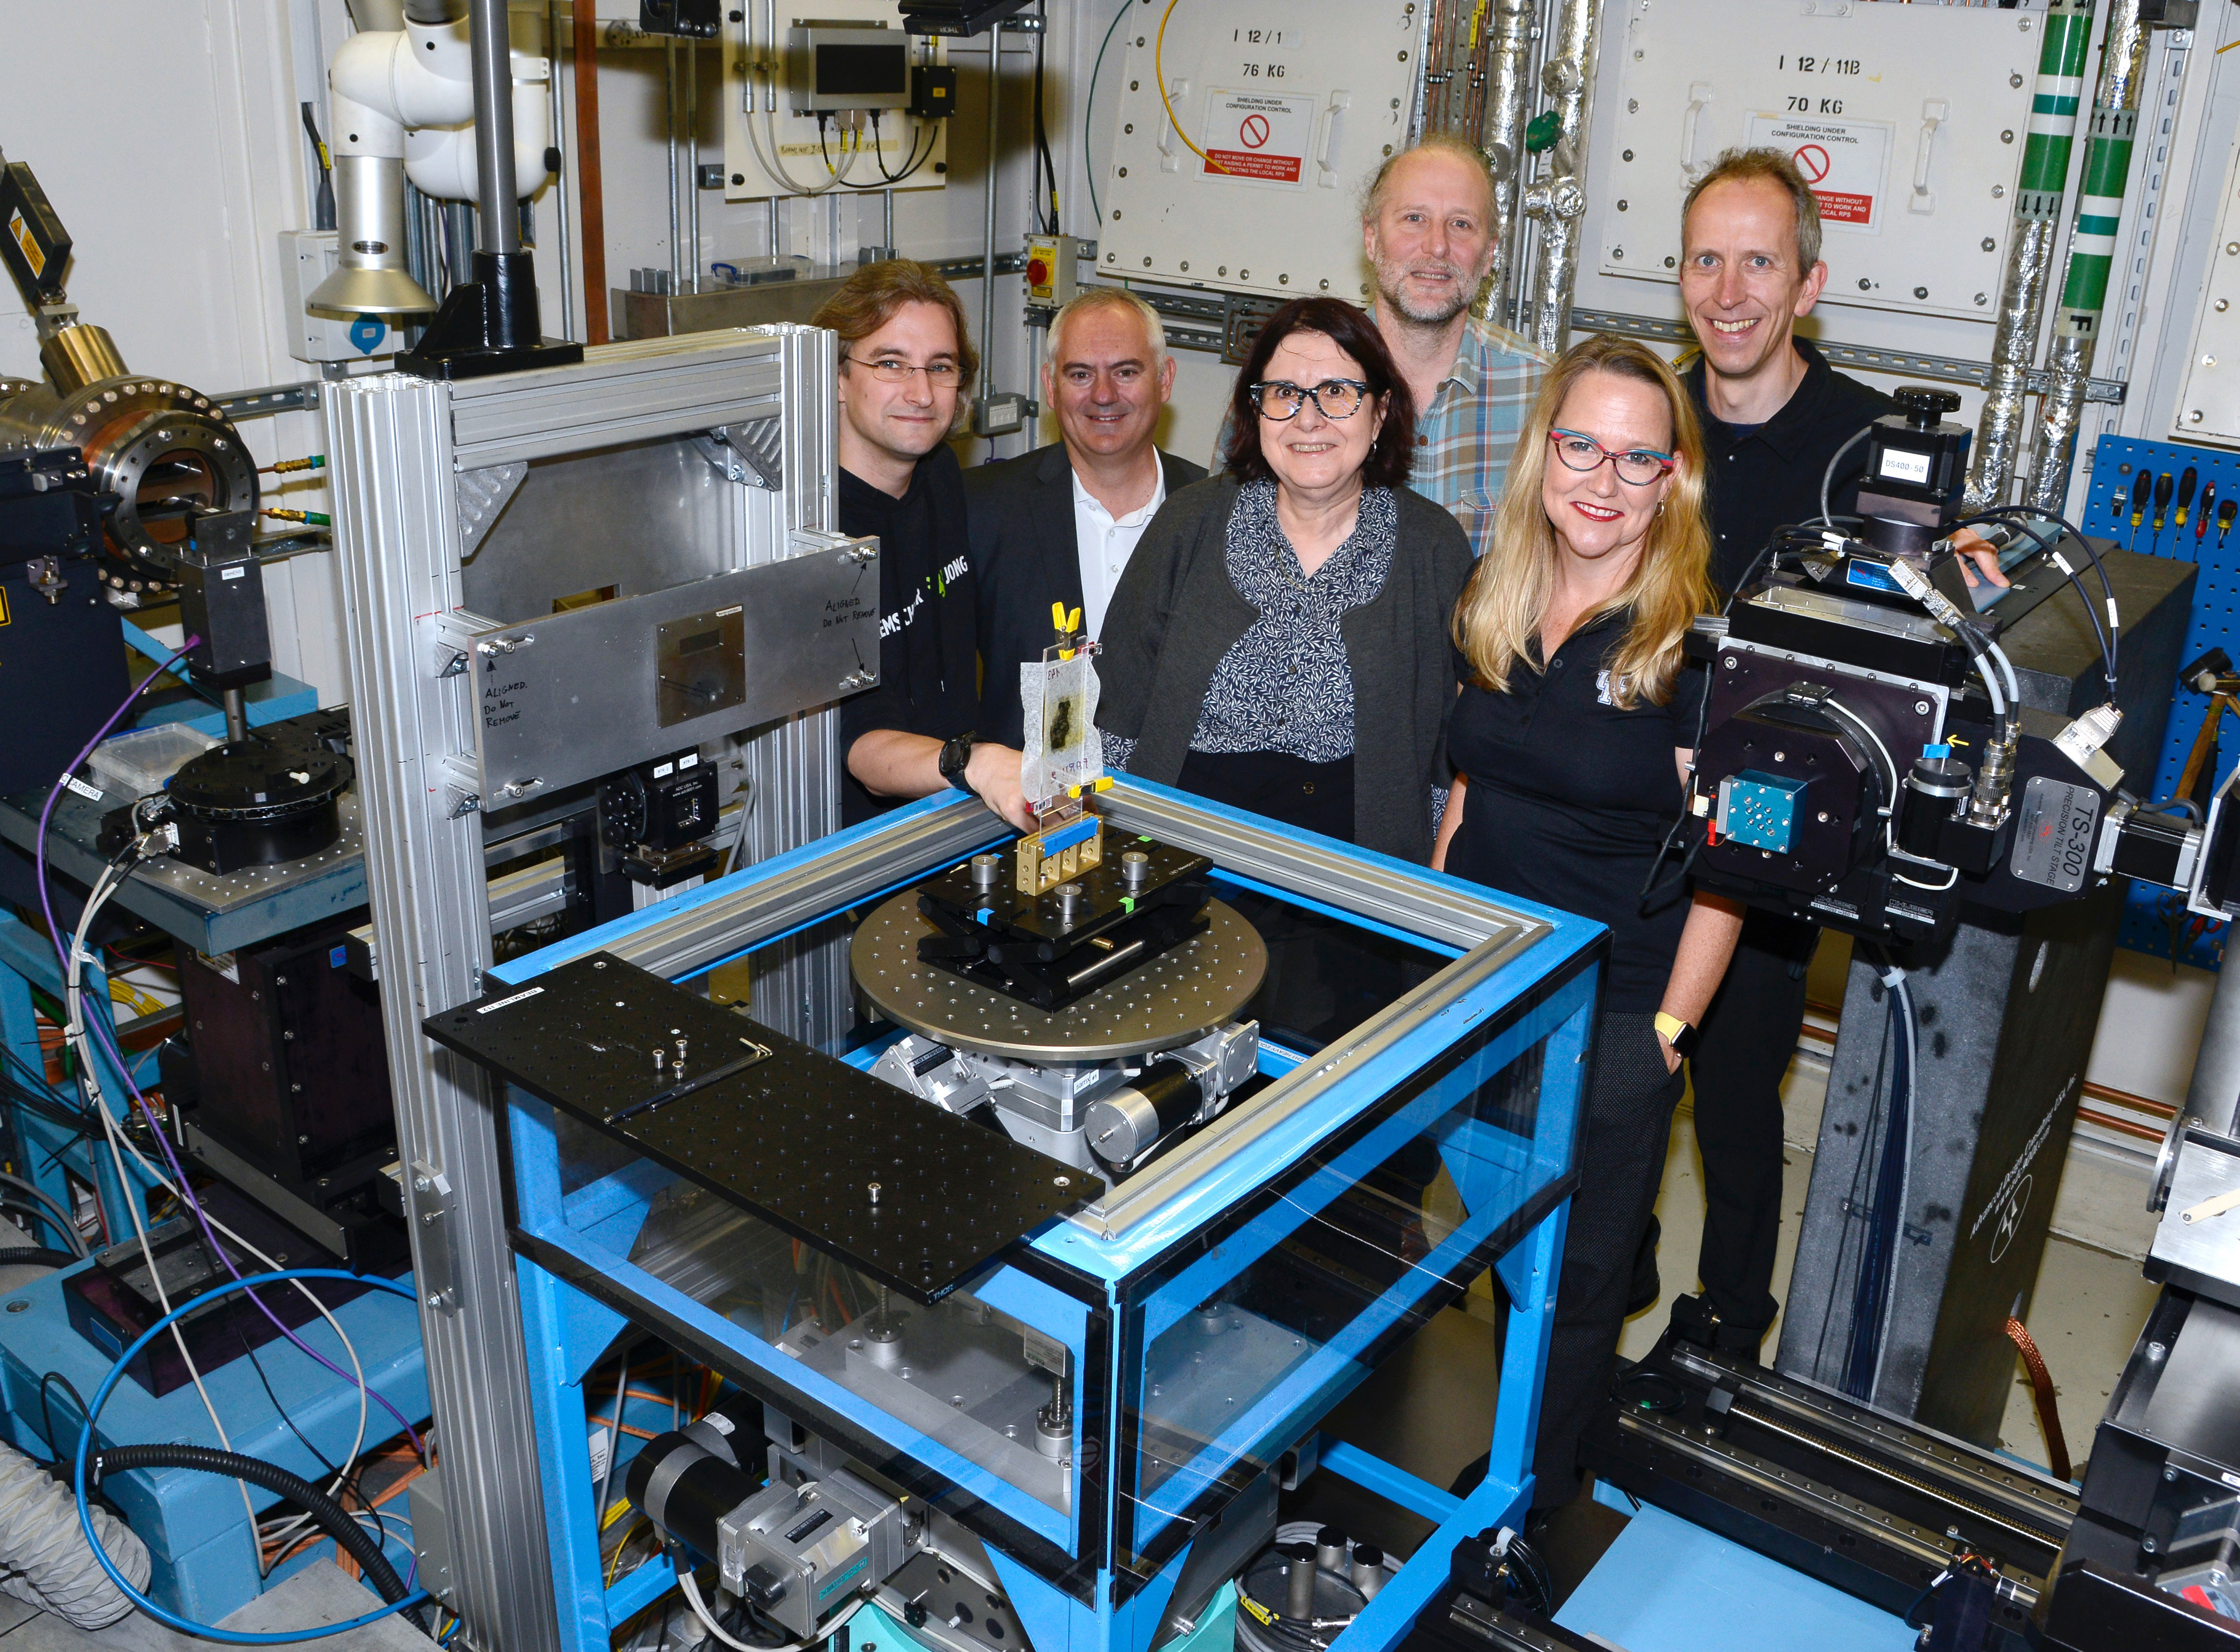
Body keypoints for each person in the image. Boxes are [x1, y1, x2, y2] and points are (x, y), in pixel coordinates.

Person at [1667, 148, 2000, 1351]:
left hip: (1766, 831)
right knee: (1609, 1067)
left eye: (1760, 260)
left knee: (1736, 1093)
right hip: (1632, 798)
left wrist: (1959, 576)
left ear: (1807, 281)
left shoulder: (1872, 453)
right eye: (1707, 258)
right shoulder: (1649, 423)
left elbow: (1934, 628)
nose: (1731, 288)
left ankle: (1725, 1318)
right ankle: (1596, 1276)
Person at [1433, 333, 1742, 1512]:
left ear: (1672, 479)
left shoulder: (1690, 650)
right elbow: (1469, 788)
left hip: (1616, 1002)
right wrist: (1435, 944)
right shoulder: (1494, 595)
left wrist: (1666, 1029)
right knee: (1514, 1244)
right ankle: (1528, 1438)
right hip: (1487, 984)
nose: (1600, 481)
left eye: (1634, 457)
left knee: (1578, 1265)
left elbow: (1725, 872)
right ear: (1541, 452)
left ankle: (1535, 1493)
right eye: (1580, 446)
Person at [1100, 295, 1471, 865]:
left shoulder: (1432, 547)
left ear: (1379, 412)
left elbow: (1451, 743)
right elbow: (1117, 704)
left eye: (1337, 393)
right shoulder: (1189, 522)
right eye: (1283, 394)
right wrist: (1108, 845)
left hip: (1354, 882)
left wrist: (1430, 885)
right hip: (1177, 858)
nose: (1308, 418)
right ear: (1255, 412)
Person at [1208, 135, 1545, 555]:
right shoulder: (1284, 381)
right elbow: (1219, 545)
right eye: (1413, 218)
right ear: (1371, 237)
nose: (1437, 246)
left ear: (1490, 252)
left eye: (1461, 224)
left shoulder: (1545, 394)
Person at [810, 261, 1030, 832]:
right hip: (856, 844)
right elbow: (862, 747)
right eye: (890, 364)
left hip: (953, 812)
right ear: (836, 376)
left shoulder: (938, 474)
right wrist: (974, 763)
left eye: (940, 366)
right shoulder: (815, 534)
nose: (921, 392)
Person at [967, 289, 1205, 750]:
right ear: (1051, 386)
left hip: (1170, 811)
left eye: (1126, 372)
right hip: (1027, 811)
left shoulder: (1216, 513)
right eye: (1080, 374)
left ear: (1165, 378)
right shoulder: (982, 510)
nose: (1103, 394)